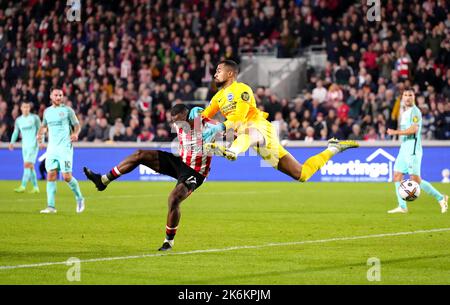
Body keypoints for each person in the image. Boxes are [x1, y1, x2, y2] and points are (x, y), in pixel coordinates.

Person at [195, 60, 359, 182]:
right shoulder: (217, 97)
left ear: (230, 74)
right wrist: (196, 115)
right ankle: (333, 149)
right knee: (301, 174)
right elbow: (206, 115)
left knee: (247, 130)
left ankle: (232, 150)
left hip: (259, 128)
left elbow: (238, 118)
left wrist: (220, 129)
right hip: (254, 142)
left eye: (219, 70)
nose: (215, 73)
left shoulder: (242, 89)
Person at [83, 104, 212, 251]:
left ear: (187, 115)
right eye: (173, 122)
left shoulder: (203, 122)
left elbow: (228, 131)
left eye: (178, 121)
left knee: (174, 198)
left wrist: (227, 144)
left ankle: (168, 242)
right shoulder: (180, 125)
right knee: (140, 154)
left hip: (195, 171)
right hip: (180, 161)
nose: (176, 125)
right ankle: (103, 181)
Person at [387, 89, 448, 214]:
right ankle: (402, 206)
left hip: (413, 149)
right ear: (402, 97)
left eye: (410, 95)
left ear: (414, 97)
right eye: (405, 95)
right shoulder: (404, 112)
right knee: (397, 176)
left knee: (415, 180)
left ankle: (441, 198)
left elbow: (414, 129)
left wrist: (396, 132)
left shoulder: (415, 112)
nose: (408, 97)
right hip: (404, 148)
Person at [37, 88, 85, 214]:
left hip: (65, 147)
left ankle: (79, 197)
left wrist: (75, 134)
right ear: (51, 96)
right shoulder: (47, 112)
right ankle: (51, 207)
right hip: (52, 148)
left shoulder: (67, 110)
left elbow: (77, 125)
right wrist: (40, 138)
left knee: (66, 177)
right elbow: (43, 127)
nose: (58, 97)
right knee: (51, 175)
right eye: (56, 95)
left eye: (60, 95)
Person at [8, 101, 41, 193]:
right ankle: (36, 188)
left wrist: (41, 141)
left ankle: (23, 186)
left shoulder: (35, 118)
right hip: (25, 146)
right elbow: (16, 132)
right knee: (30, 167)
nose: (26, 109)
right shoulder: (19, 120)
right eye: (24, 107)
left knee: (27, 165)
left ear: (29, 108)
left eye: (27, 107)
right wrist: (12, 142)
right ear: (21, 108)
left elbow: (40, 130)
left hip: (33, 145)